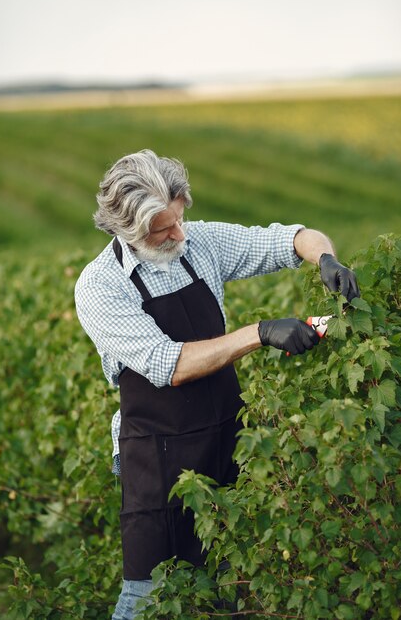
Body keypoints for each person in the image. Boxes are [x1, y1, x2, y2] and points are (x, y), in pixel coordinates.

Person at [74, 149, 360, 620]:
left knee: (230, 583)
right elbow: (170, 364)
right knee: (149, 594)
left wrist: (325, 257)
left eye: (179, 219)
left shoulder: (199, 243)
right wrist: (260, 332)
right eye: (163, 229)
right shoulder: (100, 286)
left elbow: (290, 239)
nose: (178, 235)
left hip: (224, 439)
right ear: (125, 230)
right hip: (156, 459)